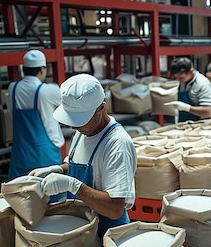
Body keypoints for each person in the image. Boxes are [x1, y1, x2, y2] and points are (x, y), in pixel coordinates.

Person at [30, 74, 137, 237]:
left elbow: (115, 209)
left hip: (108, 232)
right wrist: (58, 169)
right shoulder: (83, 131)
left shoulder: (117, 144)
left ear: (101, 108)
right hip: (83, 226)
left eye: (80, 120)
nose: (73, 127)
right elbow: (76, 163)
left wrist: (74, 186)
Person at [7, 50, 64, 179]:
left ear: (24, 69)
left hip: (21, 154)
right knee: (52, 194)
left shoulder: (12, 89)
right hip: (45, 156)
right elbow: (70, 103)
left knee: (21, 194)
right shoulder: (47, 91)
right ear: (42, 69)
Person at [165, 57, 211, 122]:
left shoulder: (202, 83)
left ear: (191, 71)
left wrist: (186, 108)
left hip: (199, 125)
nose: (178, 80)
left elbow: (208, 112)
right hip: (183, 122)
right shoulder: (182, 81)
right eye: (176, 77)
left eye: (181, 78)